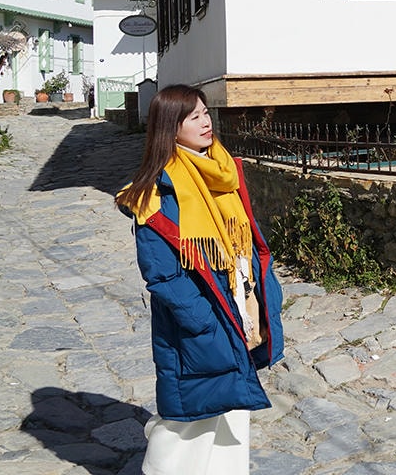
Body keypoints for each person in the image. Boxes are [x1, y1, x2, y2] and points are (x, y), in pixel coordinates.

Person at [117, 84, 283, 474]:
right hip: (200, 319)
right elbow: (161, 273)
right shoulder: (157, 189)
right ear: (170, 128)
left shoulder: (222, 170)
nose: (206, 122)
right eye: (193, 117)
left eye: (206, 113)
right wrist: (203, 321)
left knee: (232, 399)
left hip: (237, 302)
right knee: (188, 410)